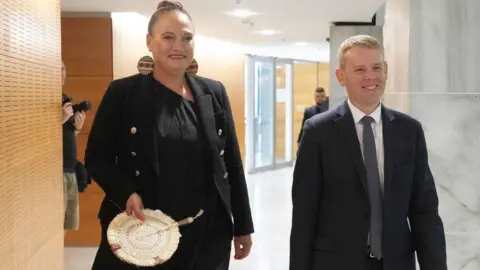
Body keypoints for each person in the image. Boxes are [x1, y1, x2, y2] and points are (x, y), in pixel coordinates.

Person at [85, 1, 254, 269]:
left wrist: (242, 225)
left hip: (206, 233)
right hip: (144, 232)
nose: (179, 46)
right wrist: (126, 191)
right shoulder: (123, 93)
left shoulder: (213, 93)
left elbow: (231, 163)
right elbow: (97, 157)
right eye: (168, 37)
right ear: (150, 41)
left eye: (187, 38)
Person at [289, 35, 447, 270]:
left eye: (376, 67)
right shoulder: (318, 132)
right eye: (360, 69)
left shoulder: (409, 131)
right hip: (335, 263)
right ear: (341, 77)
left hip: (396, 262)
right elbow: (304, 215)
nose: (370, 76)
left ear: (385, 70)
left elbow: (425, 212)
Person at [62, 61, 86, 233]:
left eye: (62, 69)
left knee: (68, 223)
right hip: (57, 171)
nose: (60, 73)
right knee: (56, 223)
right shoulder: (40, 98)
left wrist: (77, 128)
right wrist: (61, 119)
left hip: (70, 169)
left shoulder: (64, 98)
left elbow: (66, 135)